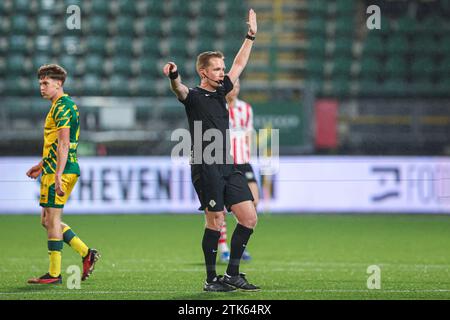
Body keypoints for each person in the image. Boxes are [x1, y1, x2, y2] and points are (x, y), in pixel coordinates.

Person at [163, 9, 259, 292]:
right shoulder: (193, 96)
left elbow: (240, 64)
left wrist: (251, 35)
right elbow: (178, 89)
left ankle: (232, 274)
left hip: (228, 164)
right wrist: (173, 75)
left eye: (222, 68)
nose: (223, 72)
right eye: (217, 69)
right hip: (205, 165)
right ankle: (210, 280)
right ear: (203, 72)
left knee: (249, 217)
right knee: (215, 221)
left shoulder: (221, 92)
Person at [26, 64, 100, 284]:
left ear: (58, 83)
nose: (42, 87)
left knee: (53, 219)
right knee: (47, 220)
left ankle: (54, 273)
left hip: (61, 170)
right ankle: (87, 253)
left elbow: (65, 143)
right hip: (53, 169)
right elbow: (56, 143)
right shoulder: (59, 105)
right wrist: (41, 165)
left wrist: (58, 174)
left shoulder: (62, 107)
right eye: (40, 83)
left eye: (45, 83)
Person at [219, 79, 258, 263]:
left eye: (238, 86)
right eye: (233, 85)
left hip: (244, 162)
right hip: (226, 163)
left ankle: (239, 244)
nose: (235, 89)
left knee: (253, 202)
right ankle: (224, 247)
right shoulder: (218, 107)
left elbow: (249, 132)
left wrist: (250, 153)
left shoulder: (246, 108)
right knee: (220, 209)